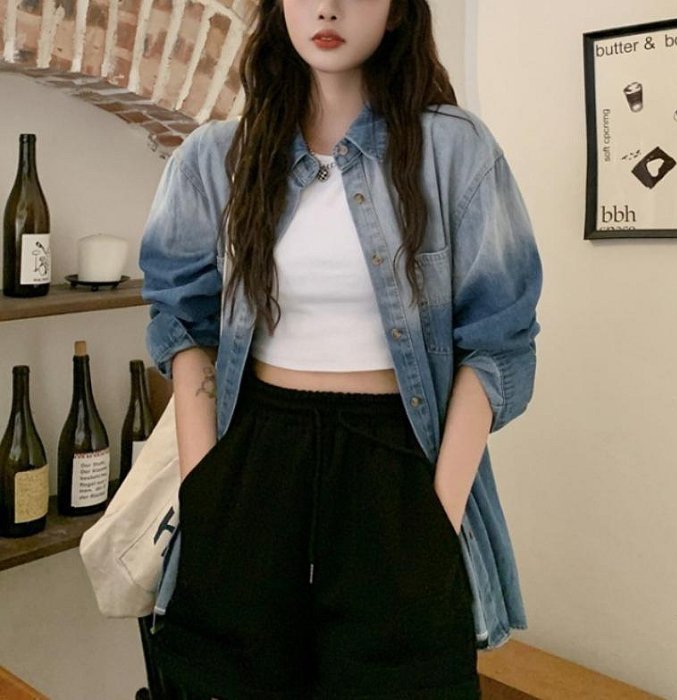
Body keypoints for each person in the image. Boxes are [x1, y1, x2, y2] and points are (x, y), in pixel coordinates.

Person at [138, 0, 543, 697]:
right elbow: (183, 322)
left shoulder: (453, 150)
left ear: (397, 12)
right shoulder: (217, 156)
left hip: (396, 466)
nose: (327, 7)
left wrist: (436, 517)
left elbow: (498, 338)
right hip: (255, 455)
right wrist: (206, 489)